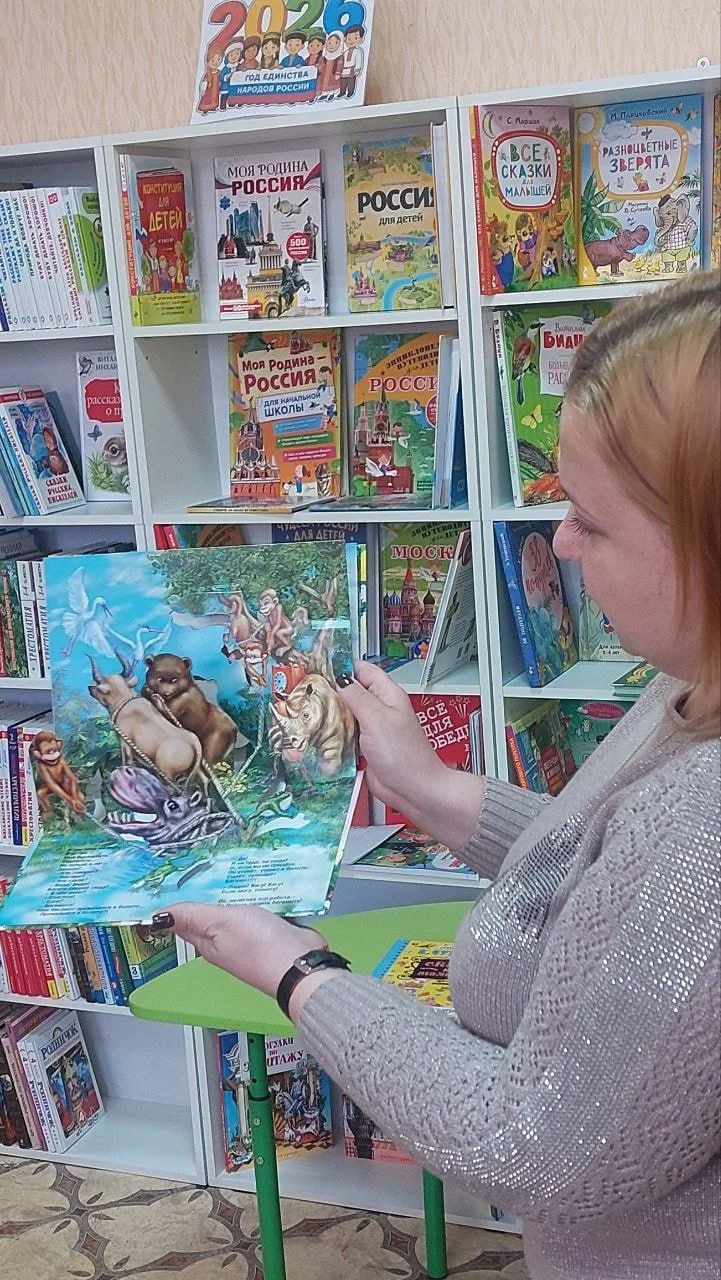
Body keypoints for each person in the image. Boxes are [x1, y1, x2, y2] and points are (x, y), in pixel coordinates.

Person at [154, 272, 721, 1280]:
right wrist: (433, 789)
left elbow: (531, 1143)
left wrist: (298, 973)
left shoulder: (709, 816)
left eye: (591, 519)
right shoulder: (692, 669)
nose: (558, 542)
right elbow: (616, 877)